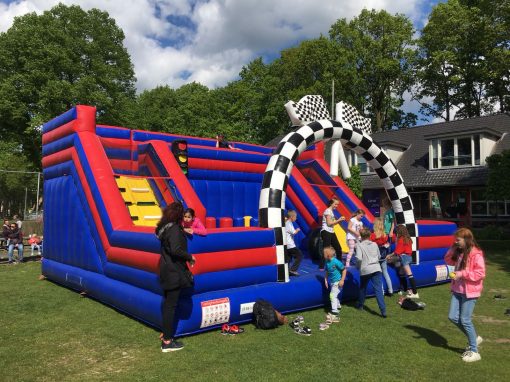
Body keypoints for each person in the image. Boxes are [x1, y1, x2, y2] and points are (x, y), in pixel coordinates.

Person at [156, 201, 196, 352]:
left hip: (166, 271)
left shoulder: (164, 228)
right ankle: (167, 342)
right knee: (171, 306)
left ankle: (165, 333)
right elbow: (176, 249)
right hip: (173, 272)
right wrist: (189, 256)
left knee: (168, 305)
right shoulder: (174, 229)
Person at [444, 228, 485, 363]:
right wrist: (452, 247)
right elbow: (448, 260)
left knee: (465, 320)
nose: (456, 242)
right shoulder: (459, 252)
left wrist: (462, 274)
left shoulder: (476, 254)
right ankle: (474, 337)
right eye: (455, 240)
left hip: (470, 292)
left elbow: (480, 274)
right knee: (452, 317)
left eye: (458, 240)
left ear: (466, 240)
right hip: (457, 290)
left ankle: (474, 351)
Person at [355, 228, 387, 318]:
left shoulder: (359, 245)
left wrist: (358, 266)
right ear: (369, 236)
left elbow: (359, 258)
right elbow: (379, 256)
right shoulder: (374, 244)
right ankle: (383, 310)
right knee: (378, 290)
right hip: (376, 268)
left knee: (362, 288)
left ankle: (360, 305)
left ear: (361, 236)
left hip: (365, 269)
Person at [387, 225, 419, 298]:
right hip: (408, 257)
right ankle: (410, 290)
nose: (396, 233)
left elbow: (397, 252)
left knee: (409, 275)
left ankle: (415, 293)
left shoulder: (401, 239)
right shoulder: (408, 238)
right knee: (406, 274)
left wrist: (389, 256)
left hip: (404, 257)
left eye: (397, 231)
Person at [320, 197, 345, 270]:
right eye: (335, 204)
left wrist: (339, 221)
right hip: (326, 231)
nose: (336, 206)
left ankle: (339, 264)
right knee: (326, 249)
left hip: (331, 231)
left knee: (338, 248)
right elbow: (329, 223)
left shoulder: (331, 212)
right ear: (331, 203)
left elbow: (332, 224)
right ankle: (321, 266)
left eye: (337, 205)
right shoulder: (328, 211)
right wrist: (338, 220)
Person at [370, 218, 393, 296]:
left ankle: (381, 291)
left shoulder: (373, 235)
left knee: (378, 275)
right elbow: (387, 245)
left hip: (376, 257)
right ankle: (390, 290)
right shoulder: (384, 235)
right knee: (385, 273)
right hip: (383, 256)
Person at [323, 246, 346, 322]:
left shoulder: (336, 262)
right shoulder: (327, 262)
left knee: (332, 295)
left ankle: (335, 313)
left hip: (338, 282)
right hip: (332, 282)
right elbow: (327, 271)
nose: (323, 255)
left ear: (328, 255)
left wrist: (342, 280)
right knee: (334, 295)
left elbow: (344, 270)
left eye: (324, 253)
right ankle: (338, 306)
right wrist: (326, 280)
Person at [285, 210, 303, 276]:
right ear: (292, 217)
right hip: (290, 245)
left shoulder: (287, 222)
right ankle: (293, 270)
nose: (296, 218)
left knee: (288, 258)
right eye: (295, 217)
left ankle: (286, 270)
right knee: (300, 255)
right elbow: (293, 232)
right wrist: (297, 230)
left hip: (287, 244)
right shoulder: (289, 223)